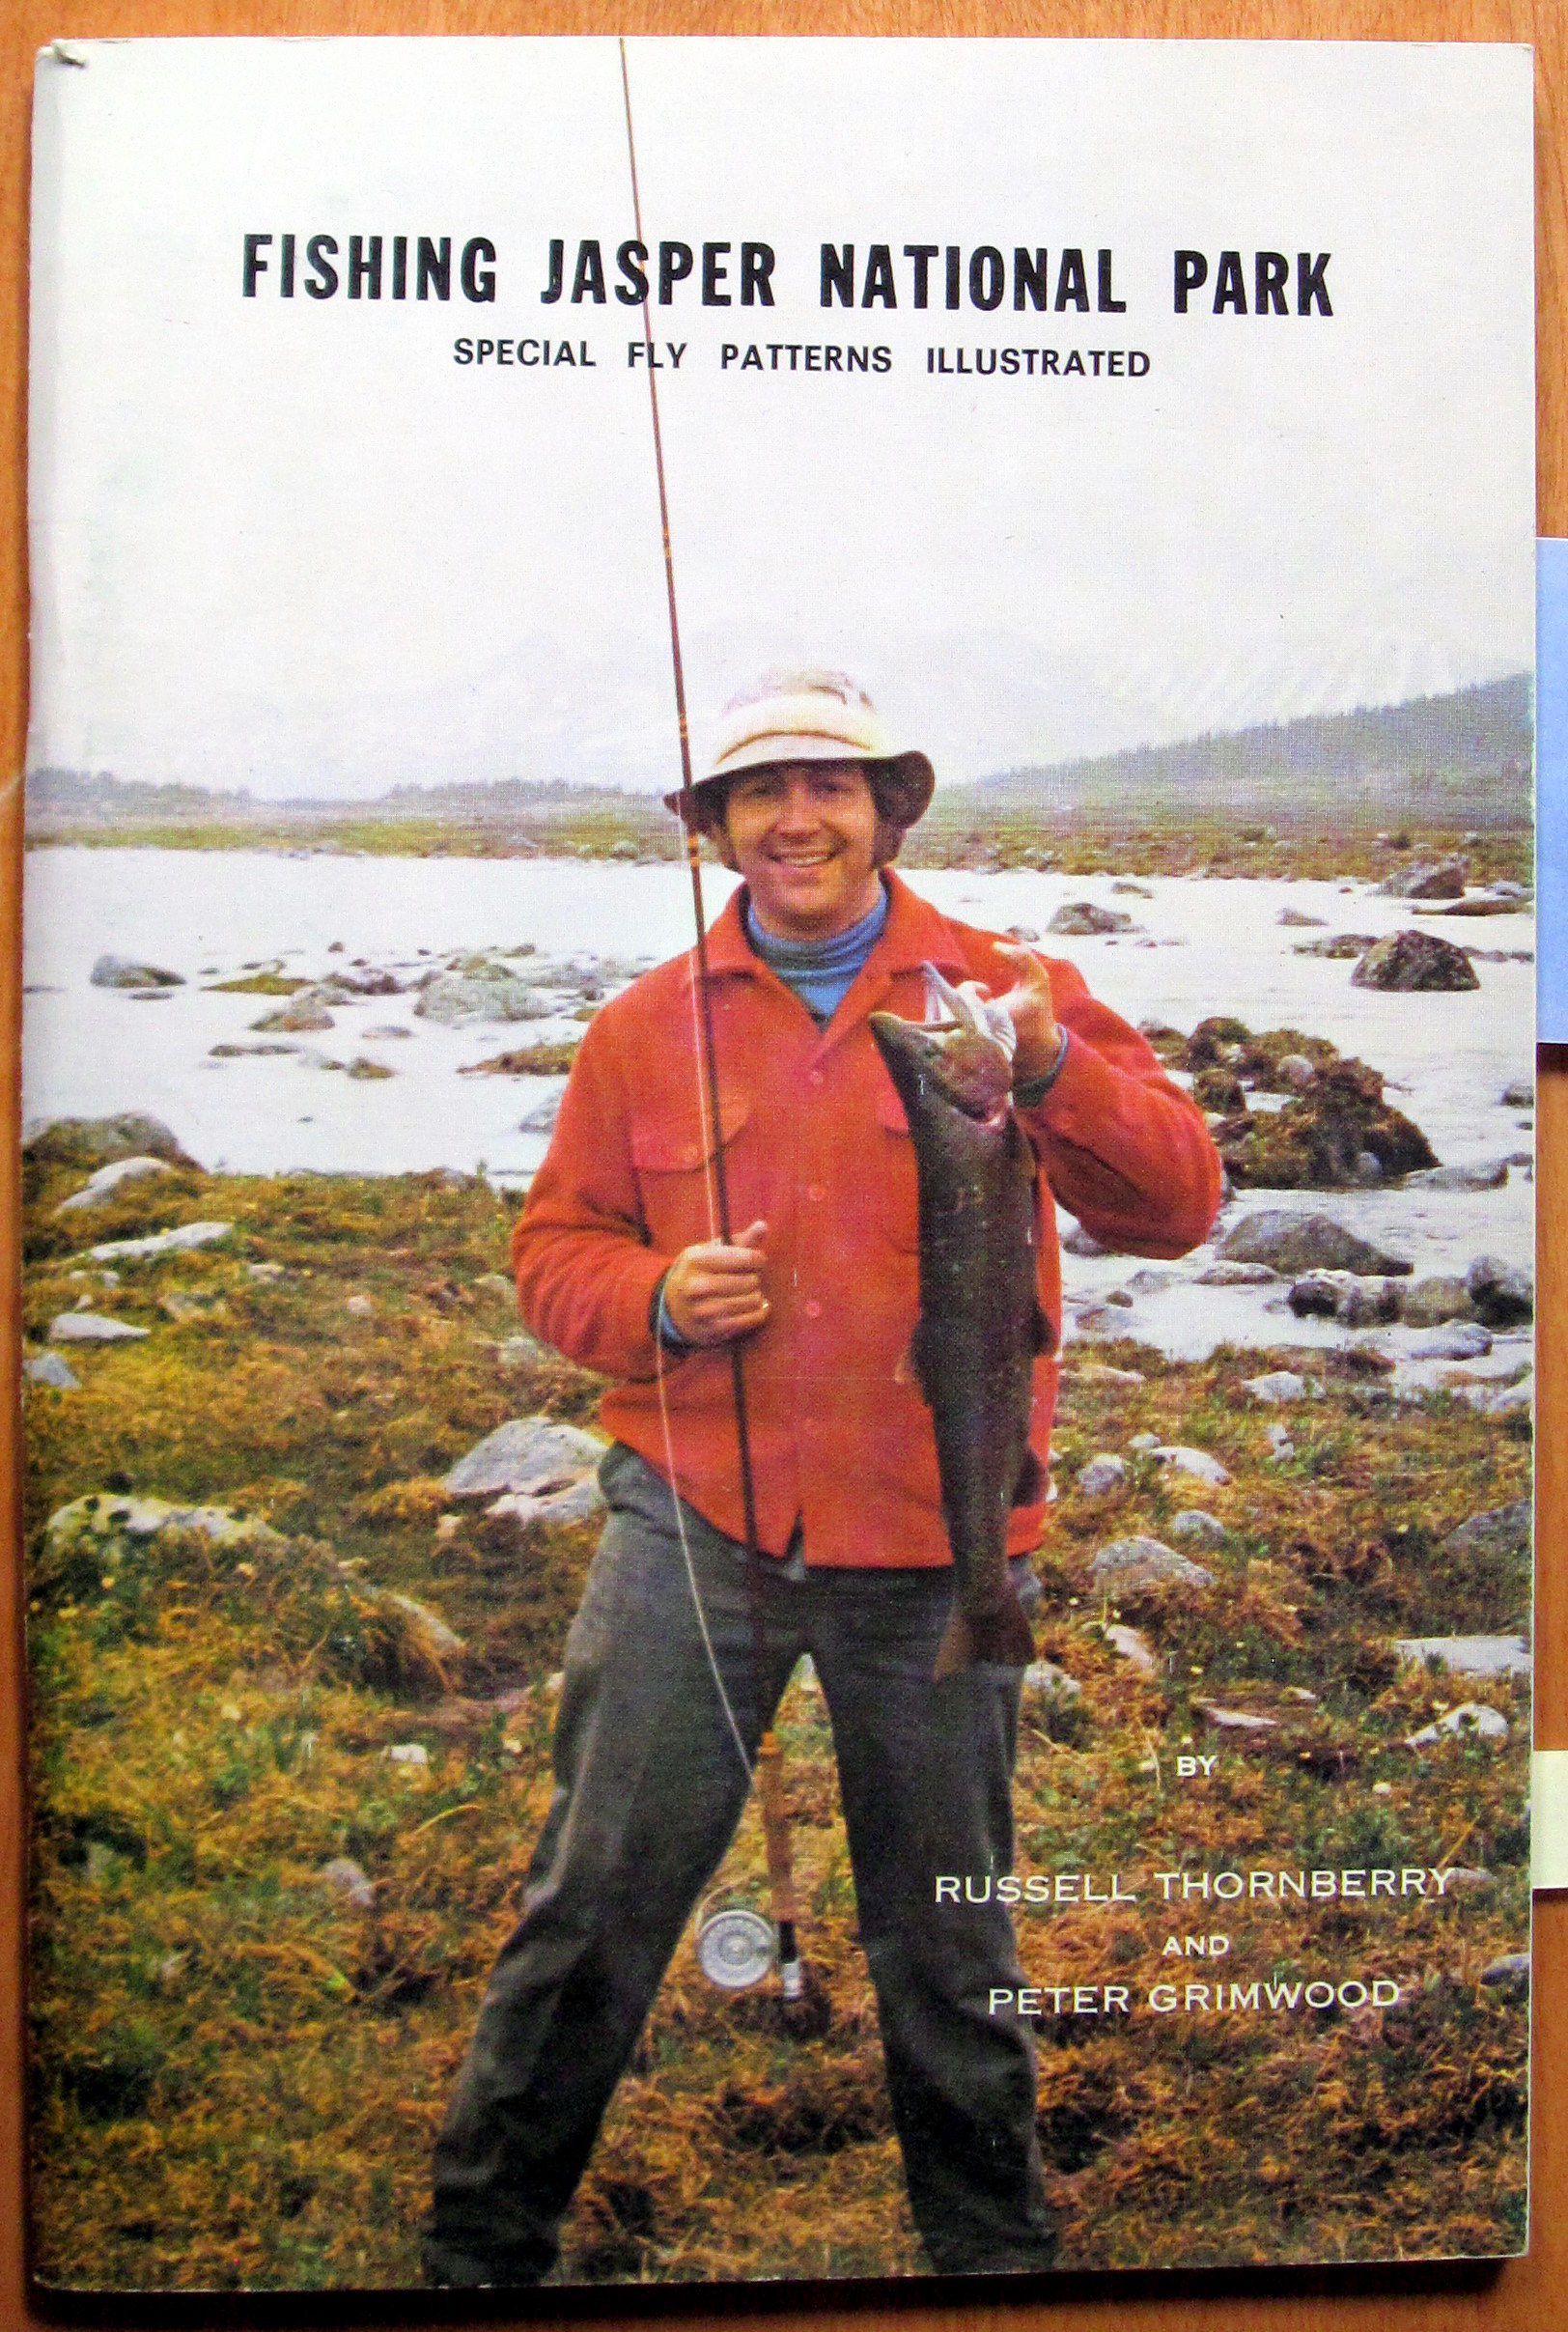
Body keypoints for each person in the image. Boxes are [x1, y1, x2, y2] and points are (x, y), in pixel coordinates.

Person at [426, 669, 1222, 2286]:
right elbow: (554, 1256)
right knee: (592, 1907)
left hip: (940, 1549)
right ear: (717, 830)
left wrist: (1053, 1075)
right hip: (693, 1530)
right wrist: (655, 1296)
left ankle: (991, 2260)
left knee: (949, 1936)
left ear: (887, 811)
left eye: (833, 786)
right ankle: (478, 2252)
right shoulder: (644, 1026)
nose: (798, 818)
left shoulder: (1009, 995)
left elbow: (1178, 1205)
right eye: (761, 792)